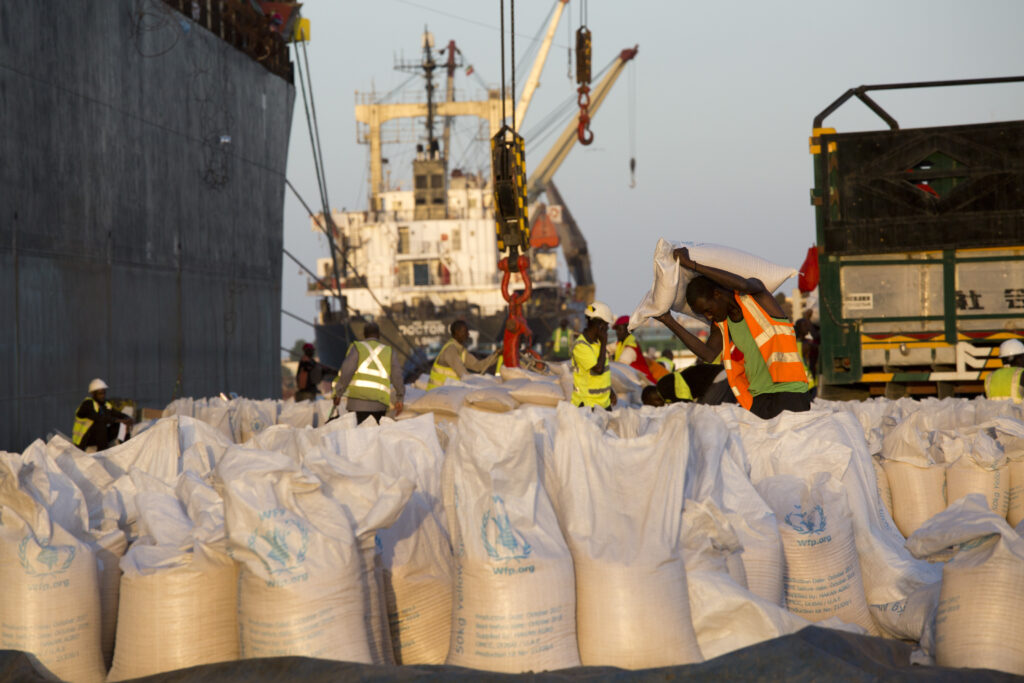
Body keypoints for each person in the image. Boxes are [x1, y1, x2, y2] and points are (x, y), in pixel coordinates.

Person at [654, 247, 810, 419]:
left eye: (708, 310)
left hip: (789, 394)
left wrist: (691, 265)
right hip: (757, 400)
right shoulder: (722, 324)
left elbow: (743, 284)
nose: (708, 316)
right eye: (703, 314)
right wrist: (668, 321)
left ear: (718, 294)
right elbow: (708, 354)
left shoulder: (757, 299)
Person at [331, 323, 404, 424]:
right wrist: (400, 398)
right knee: (374, 436)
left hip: (357, 404)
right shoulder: (389, 352)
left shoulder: (357, 348)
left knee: (359, 436)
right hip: (379, 405)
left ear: (364, 334)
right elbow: (397, 377)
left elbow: (346, 372)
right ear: (378, 335)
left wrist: (338, 393)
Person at [428, 320, 501, 389]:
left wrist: (495, 355)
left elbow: (478, 366)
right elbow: (464, 376)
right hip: (438, 392)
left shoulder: (461, 351)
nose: (468, 334)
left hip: (447, 393)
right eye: (465, 331)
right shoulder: (450, 350)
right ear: (457, 332)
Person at [572, 301, 617, 410]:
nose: (607, 329)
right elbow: (598, 369)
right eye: (606, 325)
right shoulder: (581, 346)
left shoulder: (597, 344)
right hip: (588, 405)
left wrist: (609, 390)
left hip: (603, 404)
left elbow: (601, 376)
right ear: (600, 325)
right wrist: (604, 343)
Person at [72, 378, 132, 452]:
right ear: (93, 394)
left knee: (122, 424)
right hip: (85, 439)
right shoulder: (87, 404)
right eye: (100, 393)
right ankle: (102, 451)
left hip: (99, 436)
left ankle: (125, 447)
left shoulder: (105, 404)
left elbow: (116, 413)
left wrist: (127, 419)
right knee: (100, 424)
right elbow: (99, 418)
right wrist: (117, 420)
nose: (103, 395)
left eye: (104, 393)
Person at [612, 316, 656, 382]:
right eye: (617, 330)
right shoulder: (621, 343)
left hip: (646, 386)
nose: (617, 332)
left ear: (628, 330)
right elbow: (608, 348)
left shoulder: (631, 347)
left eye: (619, 329)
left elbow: (620, 368)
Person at [985, 339, 1024, 403]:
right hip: (1016, 412)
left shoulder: (990, 376)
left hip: (994, 412)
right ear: (1019, 358)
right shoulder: (1021, 374)